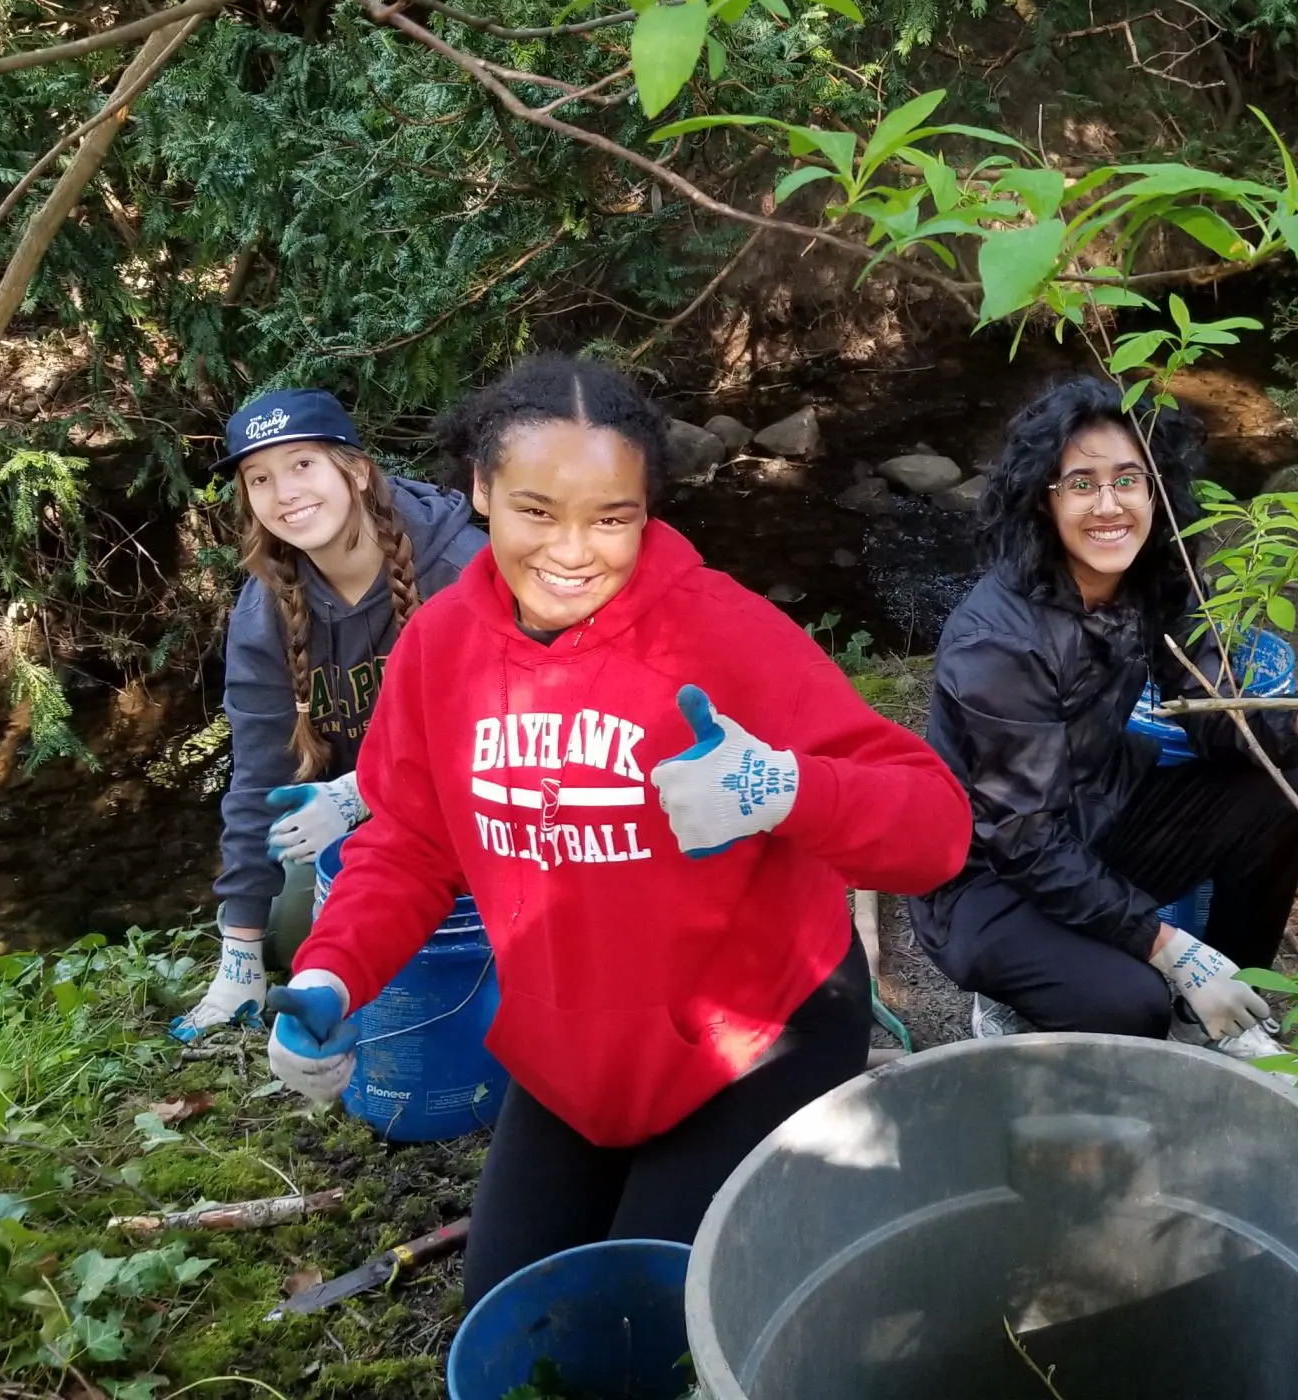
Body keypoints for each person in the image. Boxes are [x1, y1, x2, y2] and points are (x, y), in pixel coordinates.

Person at [260, 354, 969, 1303]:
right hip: (572, 1056)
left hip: (759, 1041)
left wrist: (783, 788)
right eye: (537, 511)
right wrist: (331, 973)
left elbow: (935, 830)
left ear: (651, 510)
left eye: (613, 517)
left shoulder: (725, 634)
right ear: (480, 489)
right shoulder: (438, 650)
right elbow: (409, 842)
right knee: (513, 1320)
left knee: (656, 1317)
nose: (574, 550)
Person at [909, 376, 1298, 1060]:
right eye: (1081, 483)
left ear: (1155, 489)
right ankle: (1020, 1003)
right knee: (1131, 1004)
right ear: (1042, 500)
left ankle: (1224, 1009)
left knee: (1292, 792)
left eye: (1128, 480)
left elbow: (1207, 712)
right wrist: (1169, 948)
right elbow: (1024, 841)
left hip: (1096, 825)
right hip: (990, 882)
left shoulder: (1150, 581)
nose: (1109, 506)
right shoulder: (999, 642)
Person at [170, 389, 485, 1042]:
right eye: (260, 478)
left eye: (303, 465)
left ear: (358, 470)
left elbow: (510, 732)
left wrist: (357, 793)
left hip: (481, 810)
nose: (285, 493)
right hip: (374, 833)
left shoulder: (463, 570)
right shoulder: (263, 614)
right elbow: (257, 778)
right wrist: (239, 954)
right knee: (290, 932)